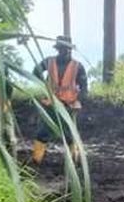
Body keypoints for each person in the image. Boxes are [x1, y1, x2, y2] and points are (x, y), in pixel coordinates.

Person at [31, 36, 88, 166]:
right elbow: (35, 72)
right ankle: (36, 161)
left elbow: (84, 87)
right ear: (57, 49)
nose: (63, 51)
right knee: (43, 132)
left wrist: (79, 101)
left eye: (66, 48)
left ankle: (75, 161)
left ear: (70, 49)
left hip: (68, 106)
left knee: (70, 134)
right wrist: (43, 85)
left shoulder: (78, 66)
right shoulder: (48, 62)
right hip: (50, 104)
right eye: (61, 48)